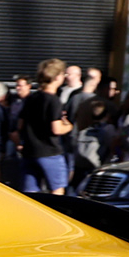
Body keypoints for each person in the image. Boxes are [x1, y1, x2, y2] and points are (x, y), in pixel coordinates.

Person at [15, 58, 75, 194]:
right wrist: (69, 126)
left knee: (30, 193)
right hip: (50, 152)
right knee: (57, 191)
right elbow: (56, 129)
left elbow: (20, 124)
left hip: (30, 152)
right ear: (57, 77)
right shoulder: (53, 100)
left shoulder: (31, 98)